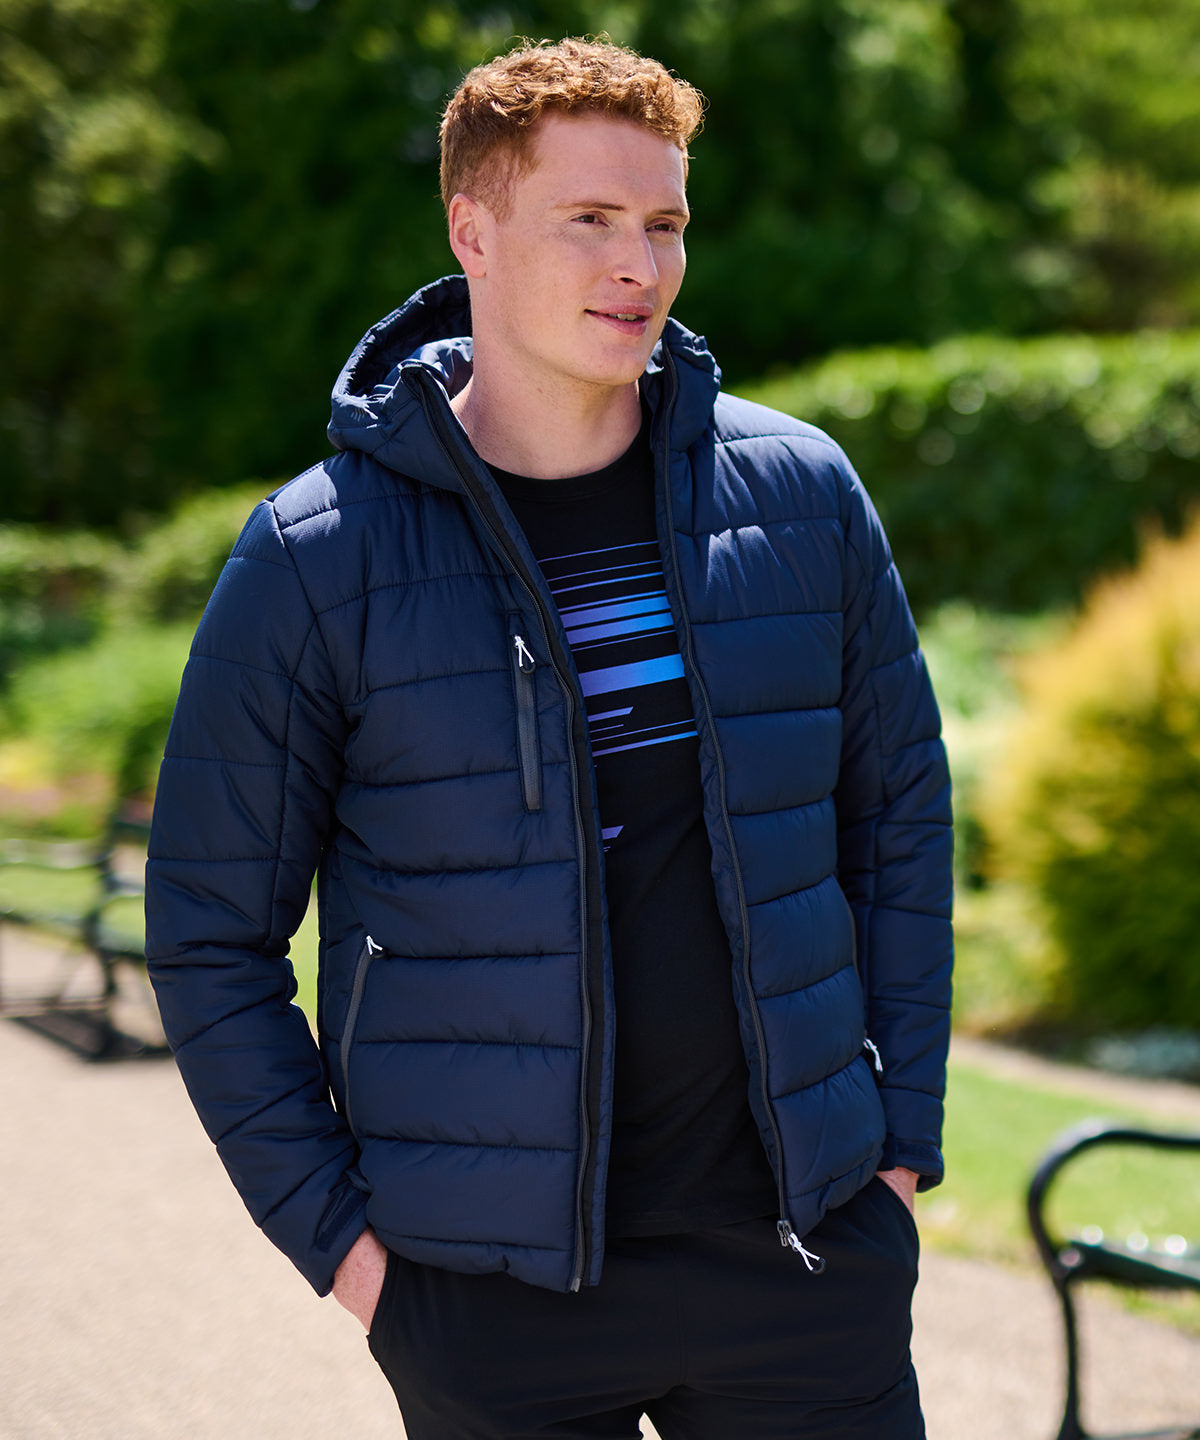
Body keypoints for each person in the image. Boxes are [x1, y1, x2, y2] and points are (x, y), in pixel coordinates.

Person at [145, 36, 953, 1440]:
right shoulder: (316, 558)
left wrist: (898, 1156)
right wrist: (353, 1257)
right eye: (590, 219)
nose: (640, 264)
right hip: (493, 1306)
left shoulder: (803, 498)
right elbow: (211, 933)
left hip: (804, 1262)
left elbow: (900, 828)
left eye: (665, 223)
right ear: (473, 230)